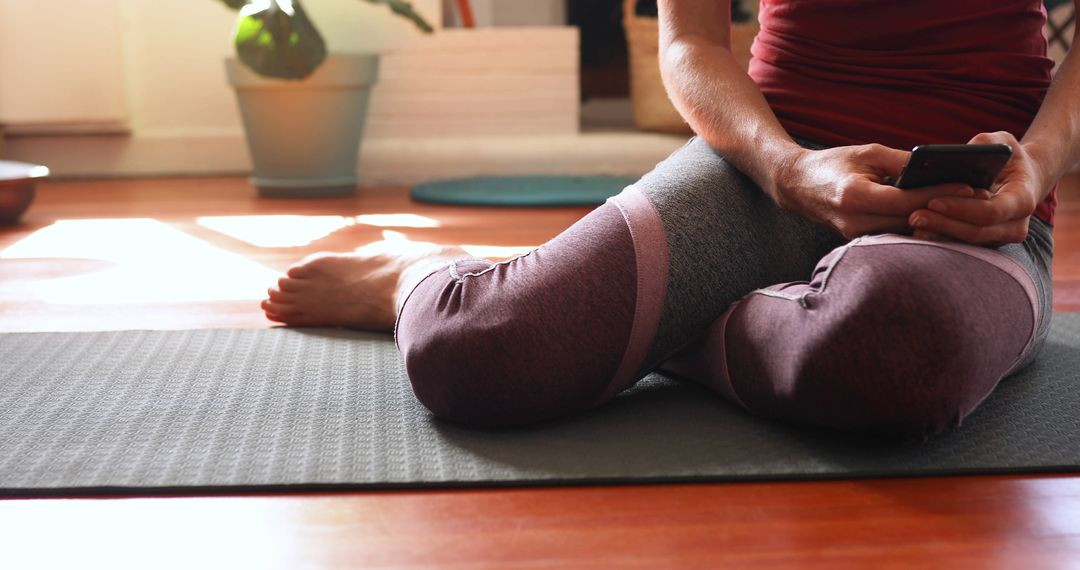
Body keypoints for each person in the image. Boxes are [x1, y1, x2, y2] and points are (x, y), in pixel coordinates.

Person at [262, 0, 1080, 438]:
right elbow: (691, 44)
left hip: (975, 207)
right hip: (766, 163)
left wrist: (1037, 165)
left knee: (899, 346)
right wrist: (788, 167)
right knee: (469, 352)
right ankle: (414, 275)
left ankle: (665, 317)